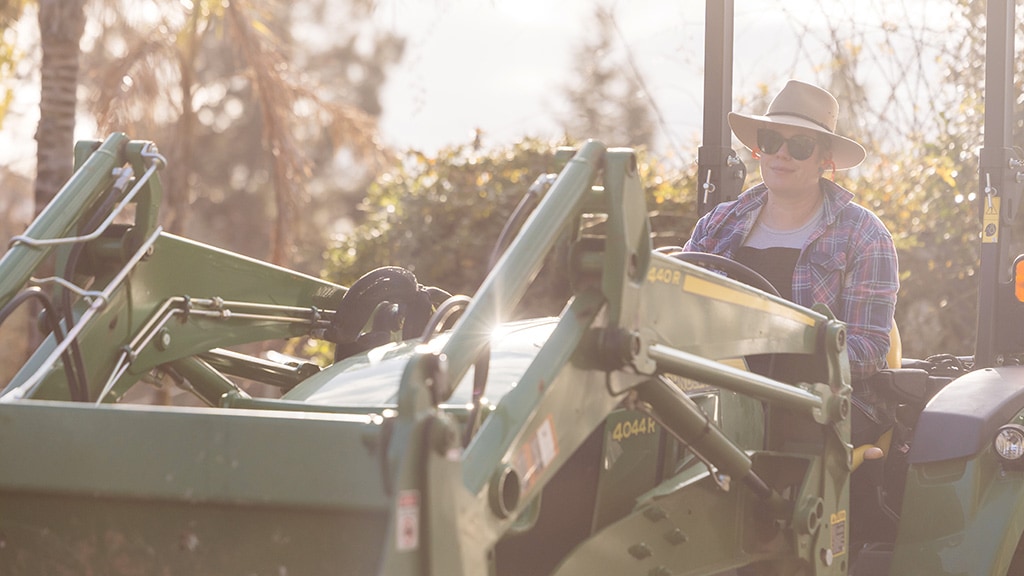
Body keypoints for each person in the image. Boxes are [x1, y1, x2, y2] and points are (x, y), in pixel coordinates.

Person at [683, 80, 899, 443]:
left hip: (821, 401)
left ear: (825, 160)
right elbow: (680, 308)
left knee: (778, 432)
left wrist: (790, 357)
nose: (781, 155)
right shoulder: (717, 224)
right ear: (759, 150)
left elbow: (870, 349)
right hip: (722, 393)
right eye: (771, 141)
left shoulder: (864, 234)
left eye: (799, 146)